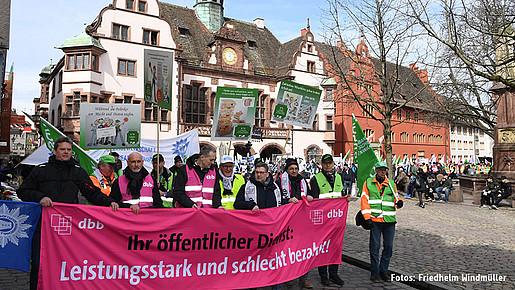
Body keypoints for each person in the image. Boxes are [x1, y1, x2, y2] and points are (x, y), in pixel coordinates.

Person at [17, 136, 119, 290]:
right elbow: (22, 191)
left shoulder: (78, 172)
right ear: (55, 151)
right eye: (62, 149)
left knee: (65, 262)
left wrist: (110, 202)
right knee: (39, 262)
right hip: (43, 225)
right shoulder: (41, 170)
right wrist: (40, 197)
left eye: (69, 150)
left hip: (67, 225)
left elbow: (92, 193)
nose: (66, 152)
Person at [360, 161, 403, 283]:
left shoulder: (391, 184)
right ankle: (374, 272)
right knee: (375, 247)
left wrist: (399, 203)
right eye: (380, 169)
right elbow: (364, 201)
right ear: (376, 170)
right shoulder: (368, 183)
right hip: (375, 220)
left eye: (384, 169)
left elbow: (396, 198)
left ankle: (383, 271)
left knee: (388, 247)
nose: (383, 171)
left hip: (389, 221)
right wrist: (367, 218)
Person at [276, 158, 314, 289]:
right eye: (291, 169)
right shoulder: (280, 181)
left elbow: (309, 194)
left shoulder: (302, 180)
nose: (294, 171)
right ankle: (288, 276)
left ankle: (304, 277)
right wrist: (287, 200)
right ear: (287, 170)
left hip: (302, 220)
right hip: (287, 220)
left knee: (303, 249)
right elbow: (277, 198)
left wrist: (309, 196)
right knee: (288, 250)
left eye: (296, 169)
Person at [309, 154, 345, 286]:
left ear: (333, 164)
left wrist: (345, 199)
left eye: (330, 163)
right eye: (325, 163)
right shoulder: (315, 179)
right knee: (323, 248)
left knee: (335, 247)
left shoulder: (339, 177)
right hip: (323, 220)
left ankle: (334, 274)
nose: (328, 165)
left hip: (336, 219)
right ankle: (323, 275)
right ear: (322, 164)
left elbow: (340, 195)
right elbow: (315, 201)